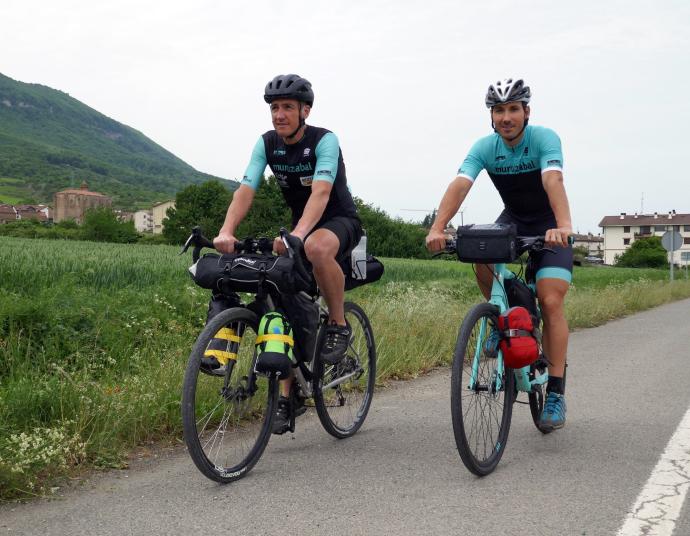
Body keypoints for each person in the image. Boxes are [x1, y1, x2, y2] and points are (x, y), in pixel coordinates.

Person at [213, 74, 363, 434]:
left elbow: (322, 191)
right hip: (300, 226)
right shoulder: (266, 144)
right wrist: (226, 231)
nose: (279, 115)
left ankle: (339, 325)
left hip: (337, 220)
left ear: (304, 110)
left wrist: (297, 234)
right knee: (281, 298)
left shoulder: (324, 141)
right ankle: (287, 392)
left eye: (287, 108)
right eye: (274, 108)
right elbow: (246, 188)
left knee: (314, 246)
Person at [425, 78, 573, 431]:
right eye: (498, 111)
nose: (506, 117)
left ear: (526, 112)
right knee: (478, 249)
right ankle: (500, 317)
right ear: (491, 117)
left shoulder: (543, 139)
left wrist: (563, 225)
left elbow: (553, 181)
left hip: (548, 224)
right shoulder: (485, 147)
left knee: (550, 300)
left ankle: (555, 391)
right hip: (513, 221)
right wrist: (438, 226)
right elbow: (460, 184)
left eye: (512, 109)